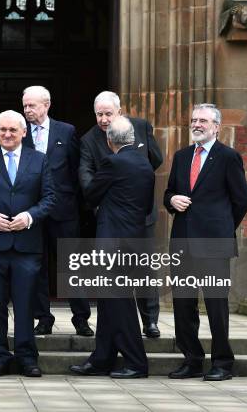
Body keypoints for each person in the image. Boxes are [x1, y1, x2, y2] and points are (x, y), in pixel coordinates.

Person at [0, 110, 56, 377]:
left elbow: (50, 198)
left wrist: (29, 217)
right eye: (2, 130)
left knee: (26, 303)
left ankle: (27, 358)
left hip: (26, 245)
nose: (6, 135)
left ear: (24, 132)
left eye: (12, 130)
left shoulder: (39, 160)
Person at [164, 104, 247, 381]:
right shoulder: (181, 156)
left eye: (203, 120)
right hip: (182, 242)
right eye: (193, 120)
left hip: (214, 244)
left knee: (216, 305)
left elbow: (241, 201)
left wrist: (223, 230)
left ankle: (222, 363)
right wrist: (172, 200)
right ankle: (191, 360)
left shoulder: (228, 157)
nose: (197, 124)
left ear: (216, 127)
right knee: (183, 305)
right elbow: (169, 193)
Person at [70, 116, 153, 379]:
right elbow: (148, 206)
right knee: (109, 301)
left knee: (119, 303)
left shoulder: (113, 162)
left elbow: (91, 193)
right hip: (133, 237)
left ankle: (136, 362)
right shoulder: (145, 164)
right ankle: (101, 359)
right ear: (132, 138)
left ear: (109, 140)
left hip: (113, 241)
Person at [79, 90, 163, 338]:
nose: (104, 119)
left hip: (141, 216)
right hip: (111, 217)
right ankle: (116, 325)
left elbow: (154, 160)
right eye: (99, 114)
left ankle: (150, 322)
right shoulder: (88, 140)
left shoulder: (140, 127)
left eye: (108, 113)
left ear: (120, 111)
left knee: (145, 269)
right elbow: (86, 176)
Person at [20, 86, 92, 337]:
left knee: (71, 265)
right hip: (31, 212)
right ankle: (43, 318)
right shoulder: (20, 131)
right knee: (36, 267)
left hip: (64, 210)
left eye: (32, 105)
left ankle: (81, 318)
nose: (27, 110)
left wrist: (79, 207)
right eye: (25, 105)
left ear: (46, 105)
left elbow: (76, 170)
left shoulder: (66, 131)